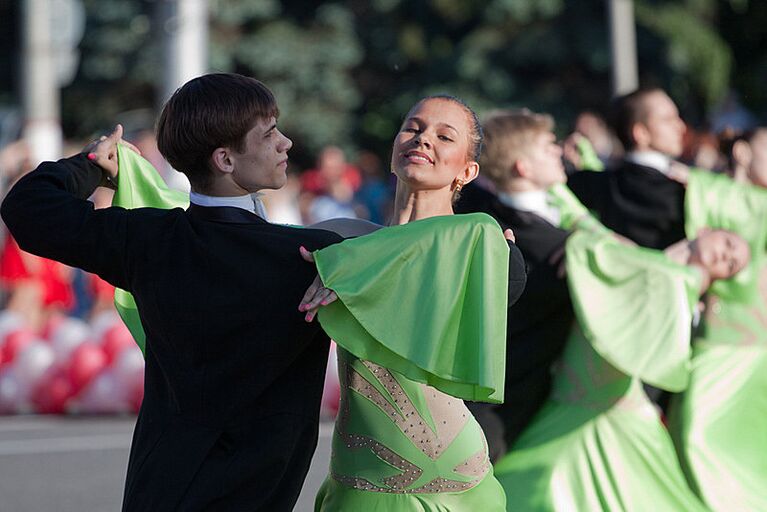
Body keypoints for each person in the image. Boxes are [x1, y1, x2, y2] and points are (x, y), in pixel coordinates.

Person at [1, 73, 343, 511]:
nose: (286, 143)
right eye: (269, 132)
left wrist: (89, 164)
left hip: (161, 485)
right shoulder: (313, 258)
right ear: (224, 159)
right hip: (257, 493)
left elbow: (27, 206)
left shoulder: (148, 239)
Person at [301, 95, 527, 510]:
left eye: (444, 136)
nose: (423, 140)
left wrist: (349, 266)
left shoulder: (477, 244)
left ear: (468, 171)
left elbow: (469, 236)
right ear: (393, 151)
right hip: (359, 484)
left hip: (456, 487)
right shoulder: (342, 239)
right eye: (413, 128)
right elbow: (238, 247)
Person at [493, 195, 750, 511]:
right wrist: (562, 199)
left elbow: (610, 248)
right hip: (572, 399)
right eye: (727, 243)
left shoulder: (684, 285)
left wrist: (584, 240)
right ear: (706, 229)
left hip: (613, 409)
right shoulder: (640, 258)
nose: (725, 255)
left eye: (732, 263)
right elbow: (598, 234)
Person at [455, 110, 573, 459]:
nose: (559, 151)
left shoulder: (556, 222)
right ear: (523, 166)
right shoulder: (526, 235)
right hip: (498, 408)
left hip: (531, 400)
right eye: (548, 146)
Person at [666, 129, 767, 511]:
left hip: (755, 353)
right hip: (713, 344)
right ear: (741, 152)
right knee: (694, 435)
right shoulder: (698, 193)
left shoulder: (751, 204)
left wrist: (696, 180)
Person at [567, 87, 688, 250]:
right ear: (641, 133)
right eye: (668, 119)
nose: (680, 126)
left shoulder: (595, 183)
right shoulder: (682, 193)